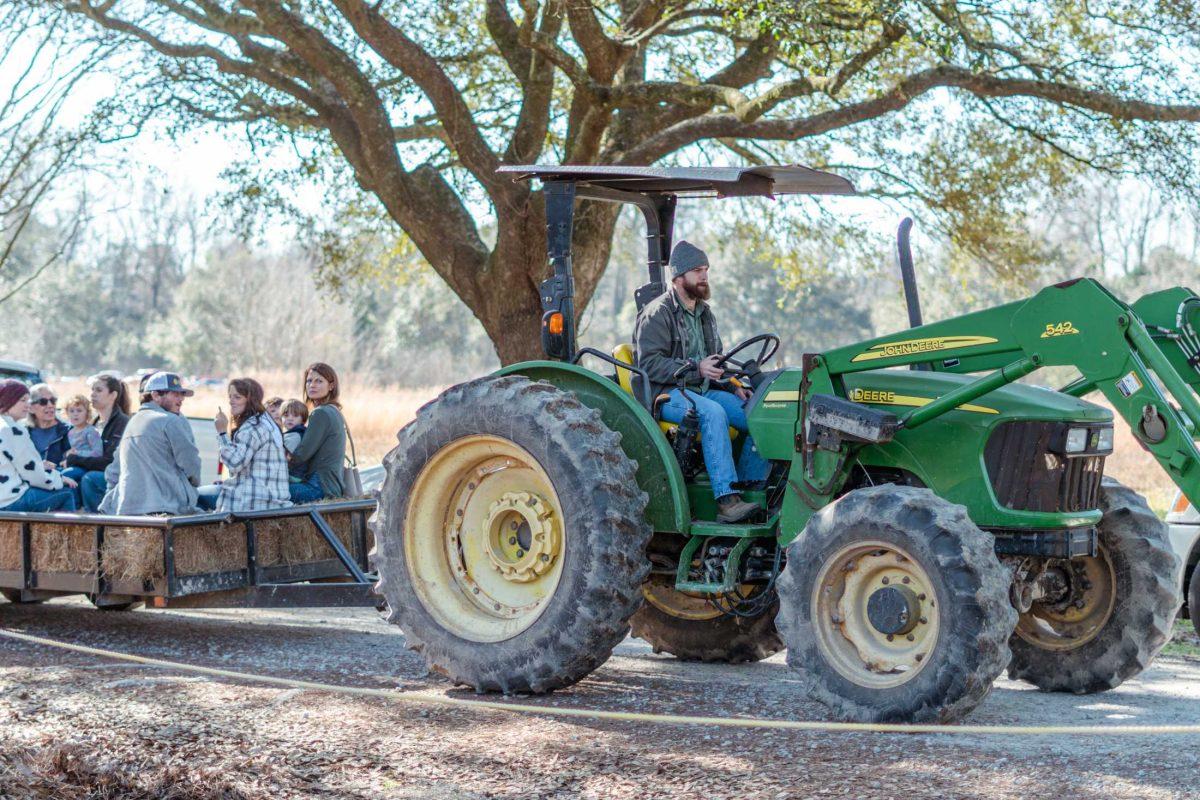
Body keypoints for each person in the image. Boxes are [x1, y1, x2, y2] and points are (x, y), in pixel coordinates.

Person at [633, 240, 769, 523]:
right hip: (668, 394)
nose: (704, 276)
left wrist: (733, 384)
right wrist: (696, 368)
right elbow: (648, 365)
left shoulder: (705, 313)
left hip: (703, 389)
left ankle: (750, 487)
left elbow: (715, 359)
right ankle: (726, 500)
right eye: (697, 270)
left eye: (706, 269)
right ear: (679, 276)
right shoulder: (658, 313)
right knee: (712, 413)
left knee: (761, 413)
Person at [99, 372, 201, 516]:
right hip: (167, 508)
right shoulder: (171, 420)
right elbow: (191, 463)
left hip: (128, 508)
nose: (181, 399)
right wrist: (193, 485)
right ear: (155, 396)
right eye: (175, 394)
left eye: (182, 395)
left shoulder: (133, 422)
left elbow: (114, 469)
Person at [196, 378, 291, 512]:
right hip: (271, 498)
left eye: (237, 397)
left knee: (195, 496)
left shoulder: (252, 427)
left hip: (252, 501)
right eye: (230, 397)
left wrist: (222, 432)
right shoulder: (267, 422)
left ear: (250, 400)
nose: (231, 401)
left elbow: (235, 463)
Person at [0, 380, 77, 512]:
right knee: (67, 493)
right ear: (9, 400)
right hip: (10, 500)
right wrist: (59, 478)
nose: (27, 405)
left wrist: (41, 466)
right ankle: (64, 533)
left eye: (28, 400)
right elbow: (33, 474)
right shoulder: (13, 430)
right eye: (23, 400)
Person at [66, 373, 132, 512]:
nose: (92, 394)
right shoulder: (92, 424)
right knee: (67, 475)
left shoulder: (123, 423)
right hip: (92, 471)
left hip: (117, 479)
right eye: (92, 390)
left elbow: (108, 462)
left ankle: (97, 525)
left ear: (113, 395)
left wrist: (74, 459)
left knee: (89, 479)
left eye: (99, 390)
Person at [288, 362, 347, 504]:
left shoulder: (320, 413)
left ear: (331, 386)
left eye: (319, 381)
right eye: (309, 381)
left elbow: (301, 455)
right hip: (330, 486)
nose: (312, 385)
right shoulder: (334, 411)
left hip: (319, 488)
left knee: (269, 491)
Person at [25, 383, 71, 469]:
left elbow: (71, 464)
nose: (50, 405)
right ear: (30, 408)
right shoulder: (23, 433)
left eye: (53, 400)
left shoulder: (68, 431)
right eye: (43, 402)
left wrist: (55, 468)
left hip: (59, 478)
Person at [59, 394, 102, 488]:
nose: (75, 414)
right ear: (67, 413)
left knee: (66, 474)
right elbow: (71, 452)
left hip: (86, 467)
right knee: (56, 473)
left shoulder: (91, 431)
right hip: (74, 465)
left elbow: (98, 453)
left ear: (87, 413)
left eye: (79, 410)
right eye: (71, 411)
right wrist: (66, 458)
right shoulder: (70, 432)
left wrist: (77, 453)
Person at [279, 398, 308, 484]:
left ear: (303, 420)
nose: (290, 419)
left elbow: (283, 457)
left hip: (293, 475)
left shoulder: (294, 436)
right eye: (286, 415)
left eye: (295, 416)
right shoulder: (293, 433)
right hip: (295, 474)